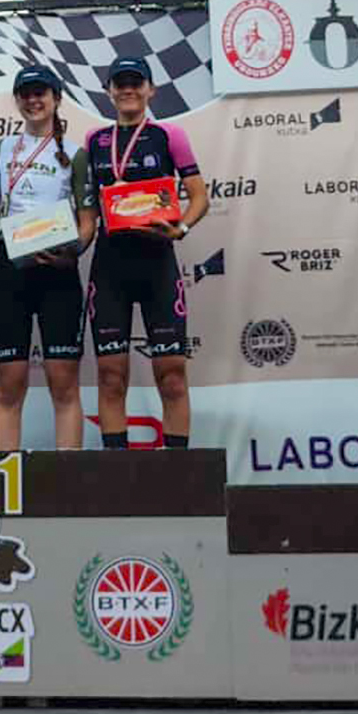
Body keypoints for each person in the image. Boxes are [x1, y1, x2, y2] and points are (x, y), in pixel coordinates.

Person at [84, 57, 210, 450]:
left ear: (150, 90)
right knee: (110, 376)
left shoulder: (169, 135)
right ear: (108, 92)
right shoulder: (94, 140)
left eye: (135, 83)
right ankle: (117, 470)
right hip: (110, 267)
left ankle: (176, 469)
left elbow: (200, 196)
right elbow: (87, 208)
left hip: (158, 265)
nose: (128, 90)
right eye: (119, 83)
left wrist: (182, 228)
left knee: (172, 375)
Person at [0, 65, 97, 451]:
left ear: (56, 99)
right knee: (9, 387)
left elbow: (87, 220)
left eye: (41, 93)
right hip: (10, 271)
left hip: (58, 274)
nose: (33, 100)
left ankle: (69, 478)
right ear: (17, 100)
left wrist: (74, 251)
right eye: (26, 94)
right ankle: (5, 479)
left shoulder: (76, 154)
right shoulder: (1, 150)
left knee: (63, 385)